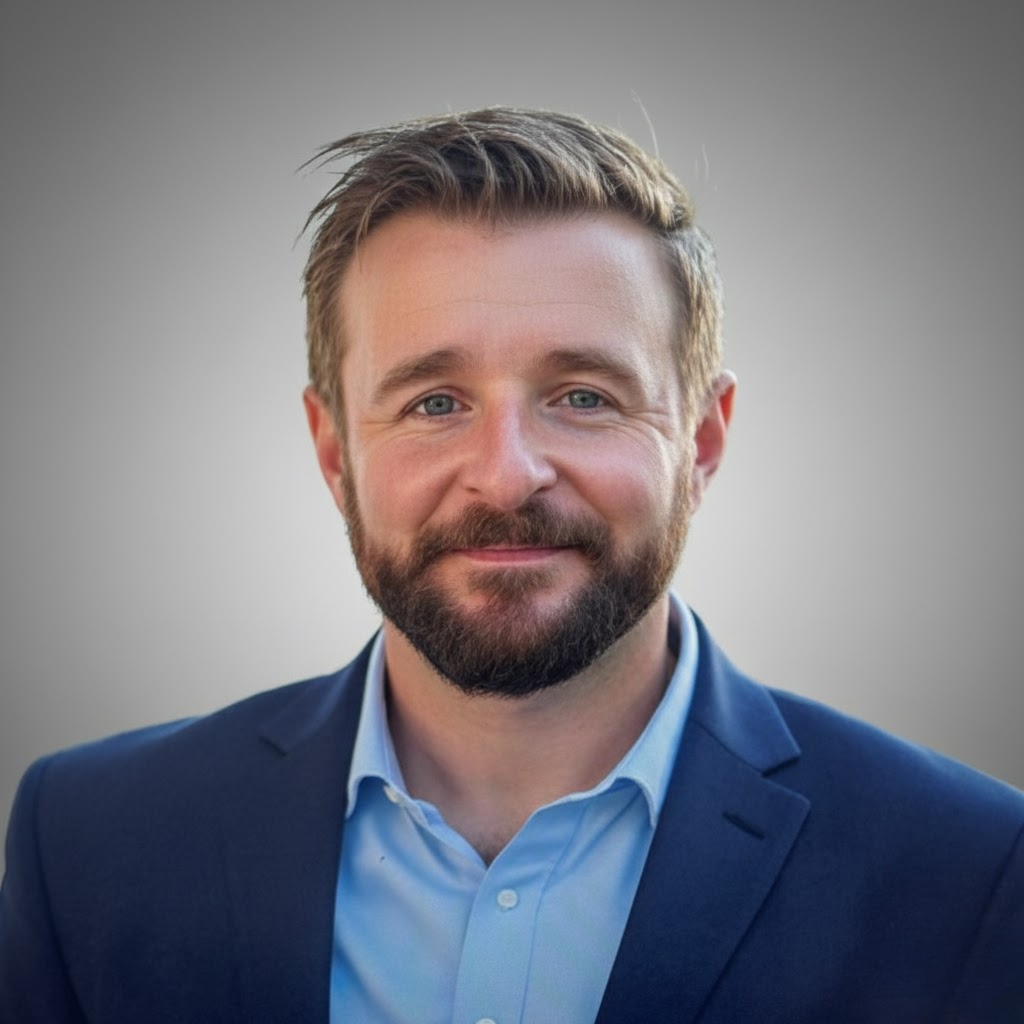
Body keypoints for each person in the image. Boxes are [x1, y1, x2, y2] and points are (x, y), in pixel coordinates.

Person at [1, 108, 1021, 1024]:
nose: (505, 474)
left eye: (583, 396)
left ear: (703, 440)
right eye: (434, 402)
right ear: (334, 451)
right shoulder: (88, 840)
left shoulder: (967, 869)